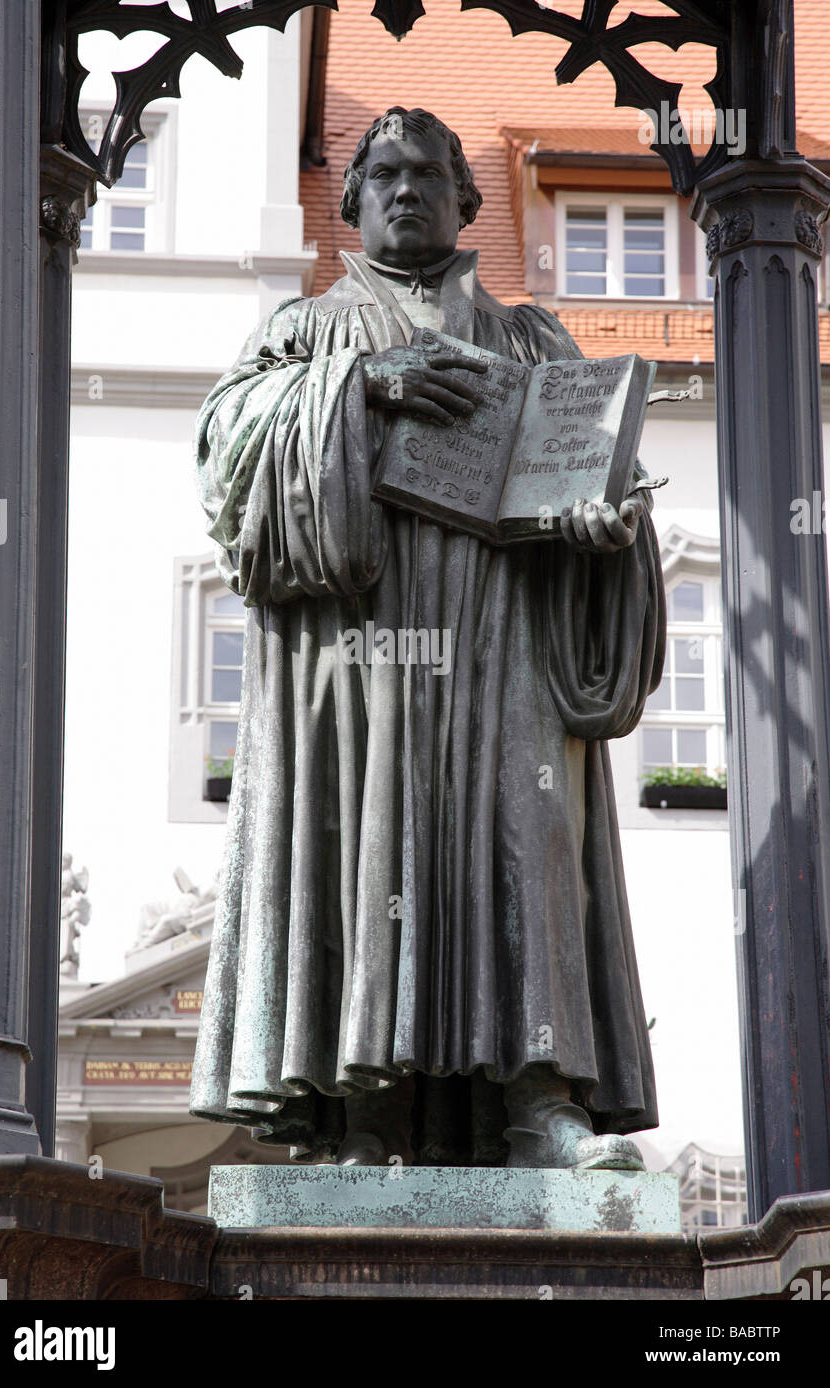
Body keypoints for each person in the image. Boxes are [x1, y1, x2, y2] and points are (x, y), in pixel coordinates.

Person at [189, 106, 666, 1170]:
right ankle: (365, 1115)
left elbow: (605, 484)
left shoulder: (533, 340)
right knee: (368, 850)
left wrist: (603, 532)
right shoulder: (300, 334)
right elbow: (224, 465)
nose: (404, 190)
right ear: (352, 202)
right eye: (384, 175)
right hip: (354, 655)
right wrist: (356, 388)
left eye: (426, 176)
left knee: (527, 844)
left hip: (506, 644)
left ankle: (541, 1104)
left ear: (468, 201)